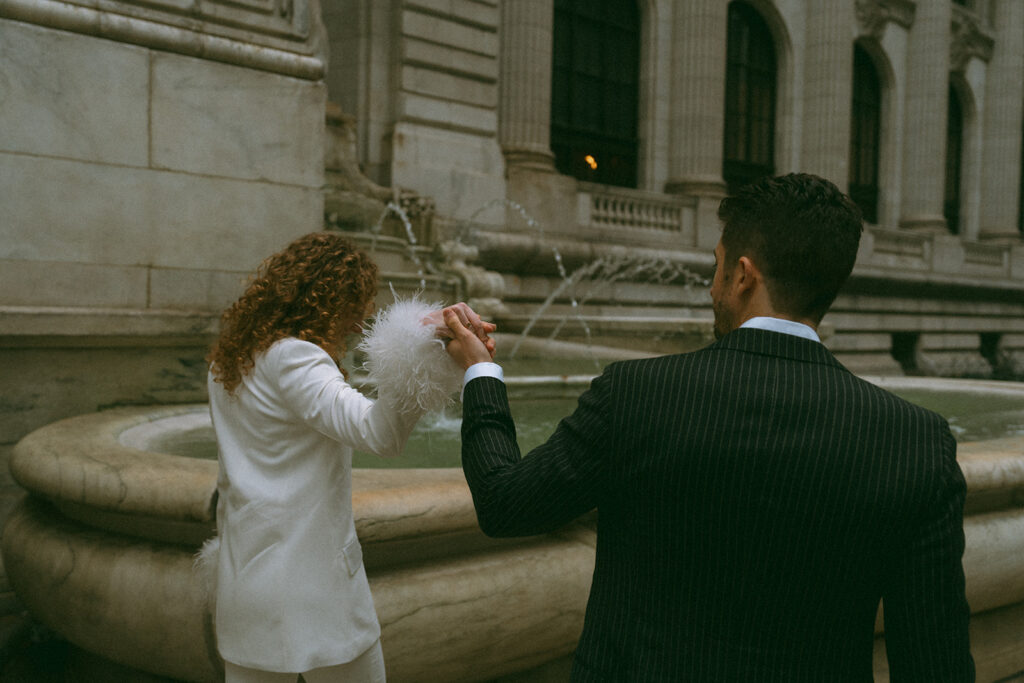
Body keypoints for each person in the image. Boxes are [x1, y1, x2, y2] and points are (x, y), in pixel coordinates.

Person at [443, 174, 974, 681]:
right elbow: (935, 666)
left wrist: (480, 373)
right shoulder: (915, 441)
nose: (712, 286)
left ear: (742, 275)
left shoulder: (637, 395)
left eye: (716, 267)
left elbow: (504, 501)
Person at [200, 231, 493, 683]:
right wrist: (416, 344)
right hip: (314, 590)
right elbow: (380, 434)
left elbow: (228, 481)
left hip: (247, 587)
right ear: (328, 301)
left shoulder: (228, 367)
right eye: (357, 307)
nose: (359, 323)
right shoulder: (295, 356)